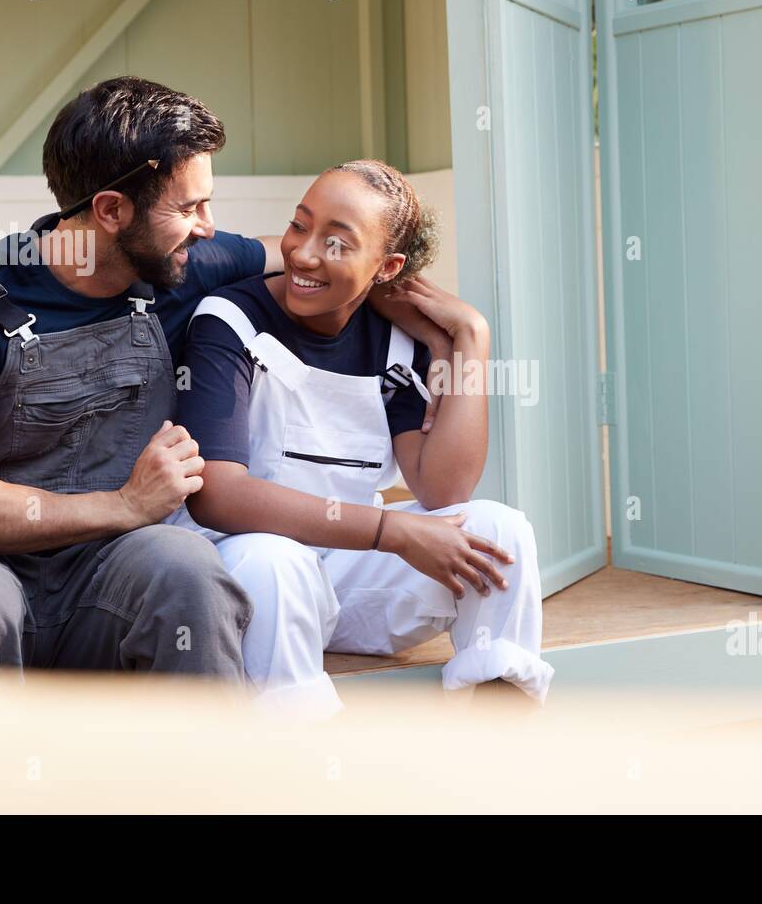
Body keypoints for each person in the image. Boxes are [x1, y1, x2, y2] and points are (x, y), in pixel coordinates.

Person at [0, 77, 437, 680]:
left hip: (109, 572)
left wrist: (412, 296)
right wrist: (122, 504)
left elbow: (309, 260)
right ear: (111, 210)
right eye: (189, 207)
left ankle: (202, 771)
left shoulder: (188, 264)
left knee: (187, 568)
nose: (208, 227)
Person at [170, 159, 553, 715]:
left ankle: (498, 719)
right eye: (300, 226)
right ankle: (299, 746)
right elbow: (219, 496)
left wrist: (471, 337)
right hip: (248, 572)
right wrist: (389, 530)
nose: (303, 253)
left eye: (338, 243)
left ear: (387, 266)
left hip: (346, 573)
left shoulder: (395, 344)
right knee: (275, 560)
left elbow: (445, 488)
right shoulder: (231, 320)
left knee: (501, 529)